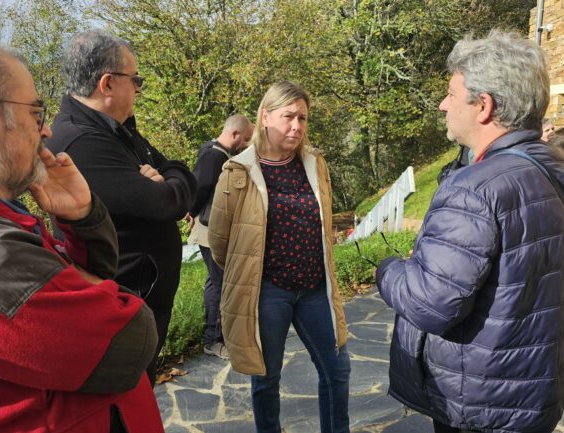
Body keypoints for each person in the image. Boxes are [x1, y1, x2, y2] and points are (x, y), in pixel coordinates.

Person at [0, 38, 162, 433]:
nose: (46, 130)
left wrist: (82, 219)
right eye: (35, 112)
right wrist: (109, 297)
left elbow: (84, 286)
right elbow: (132, 339)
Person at [375, 30, 564, 433]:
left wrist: (388, 270)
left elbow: (431, 304)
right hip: (532, 390)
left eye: (451, 95)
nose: (443, 105)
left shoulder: (474, 186)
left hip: (479, 398)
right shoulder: (562, 171)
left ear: (484, 105)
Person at [47, 30, 196, 384]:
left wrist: (169, 176)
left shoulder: (115, 129)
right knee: (128, 406)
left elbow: (181, 176)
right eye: (136, 79)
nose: (139, 89)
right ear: (108, 84)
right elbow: (166, 202)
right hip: (124, 308)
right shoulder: (81, 143)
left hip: (141, 303)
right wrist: (169, 181)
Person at [208, 81, 350, 433]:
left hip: (316, 290)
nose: (297, 126)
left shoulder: (315, 164)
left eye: (302, 118)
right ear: (265, 117)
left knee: (337, 370)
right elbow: (220, 241)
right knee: (266, 378)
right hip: (269, 292)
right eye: (288, 117)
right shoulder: (237, 171)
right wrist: (253, 275)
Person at [187, 113, 253, 359]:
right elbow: (199, 187)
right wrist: (189, 211)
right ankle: (213, 340)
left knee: (218, 281)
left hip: (214, 229)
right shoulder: (215, 156)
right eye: (245, 139)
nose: (246, 144)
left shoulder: (219, 153)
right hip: (208, 231)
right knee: (221, 282)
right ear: (234, 134)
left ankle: (220, 335)